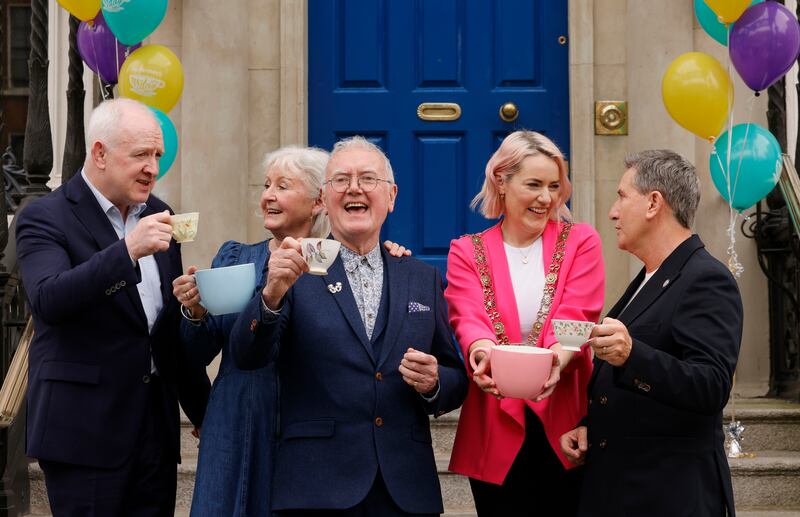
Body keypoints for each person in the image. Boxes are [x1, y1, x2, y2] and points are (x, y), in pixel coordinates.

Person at [229, 136, 469, 516]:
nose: (354, 188)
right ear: (324, 199)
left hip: (405, 489)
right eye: (341, 179)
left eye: (367, 179)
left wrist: (435, 381)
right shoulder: (294, 269)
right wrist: (271, 294)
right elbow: (247, 354)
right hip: (315, 487)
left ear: (391, 196)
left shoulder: (422, 277)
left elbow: (456, 377)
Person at [173, 145, 411, 517]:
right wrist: (195, 311)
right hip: (240, 415)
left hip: (311, 424)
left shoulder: (339, 262)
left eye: (283, 186)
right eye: (267, 185)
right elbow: (197, 353)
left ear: (319, 200)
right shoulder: (237, 258)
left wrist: (388, 257)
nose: (268, 195)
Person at [16, 98, 211, 516]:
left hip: (155, 435)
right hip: (83, 434)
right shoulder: (44, 216)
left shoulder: (161, 215)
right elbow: (49, 299)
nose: (153, 168)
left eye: (157, 155)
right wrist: (127, 251)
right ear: (100, 152)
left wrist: (205, 412)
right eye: (141, 154)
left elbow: (163, 334)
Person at [559, 150, 742, 517]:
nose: (612, 211)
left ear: (654, 203)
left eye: (622, 196)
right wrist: (588, 427)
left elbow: (711, 385)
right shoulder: (649, 277)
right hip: (619, 490)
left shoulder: (705, 278)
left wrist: (632, 355)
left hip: (668, 495)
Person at [445, 130, 605, 516]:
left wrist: (555, 360)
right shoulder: (467, 250)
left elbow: (578, 314)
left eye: (554, 185)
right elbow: (467, 317)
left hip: (565, 417)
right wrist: (482, 356)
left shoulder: (581, 241)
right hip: (494, 420)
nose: (546, 198)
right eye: (533, 185)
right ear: (501, 181)